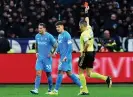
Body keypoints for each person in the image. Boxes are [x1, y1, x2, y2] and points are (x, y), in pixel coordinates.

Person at [78, 8, 112, 95]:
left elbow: (86, 44)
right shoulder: (89, 28)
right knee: (89, 73)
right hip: (92, 53)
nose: (79, 27)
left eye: (80, 26)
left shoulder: (84, 33)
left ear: (82, 26)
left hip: (86, 53)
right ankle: (106, 78)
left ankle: (84, 90)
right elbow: (87, 20)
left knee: (80, 72)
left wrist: (83, 52)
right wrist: (86, 11)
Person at [48, 21, 83, 95]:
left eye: (59, 27)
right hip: (63, 57)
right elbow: (59, 46)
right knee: (69, 73)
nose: (57, 28)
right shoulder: (59, 36)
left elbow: (70, 48)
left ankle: (56, 91)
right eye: (56, 27)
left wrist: (66, 57)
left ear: (62, 26)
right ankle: (82, 86)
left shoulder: (67, 35)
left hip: (66, 57)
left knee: (60, 71)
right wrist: (55, 51)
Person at [30, 23, 57, 94]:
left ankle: (50, 89)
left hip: (47, 59)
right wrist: (36, 52)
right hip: (39, 58)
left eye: (41, 28)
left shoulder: (49, 36)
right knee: (38, 73)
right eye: (39, 28)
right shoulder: (37, 36)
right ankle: (36, 89)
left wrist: (52, 53)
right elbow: (37, 44)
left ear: (44, 28)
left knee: (48, 74)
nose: (39, 29)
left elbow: (56, 45)